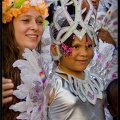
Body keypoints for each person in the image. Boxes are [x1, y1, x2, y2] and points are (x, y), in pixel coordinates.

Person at [9, 0, 117, 119]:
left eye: (89, 46)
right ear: (56, 50)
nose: (84, 53)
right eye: (76, 47)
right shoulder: (49, 85)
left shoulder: (98, 81)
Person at [2, 0, 54, 119]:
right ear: (9, 24)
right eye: (26, 20)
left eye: (39, 22)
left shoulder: (44, 66)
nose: (35, 27)